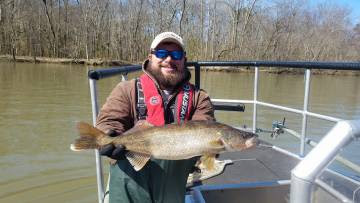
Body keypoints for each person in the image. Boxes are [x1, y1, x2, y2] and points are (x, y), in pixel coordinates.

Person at [96, 31, 215, 203]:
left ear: (184, 59)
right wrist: (109, 134)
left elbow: (206, 126)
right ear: (150, 57)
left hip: (173, 181)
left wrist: (212, 150)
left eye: (176, 54)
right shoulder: (127, 89)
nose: (169, 59)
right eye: (161, 53)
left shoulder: (199, 97)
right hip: (129, 177)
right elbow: (109, 120)